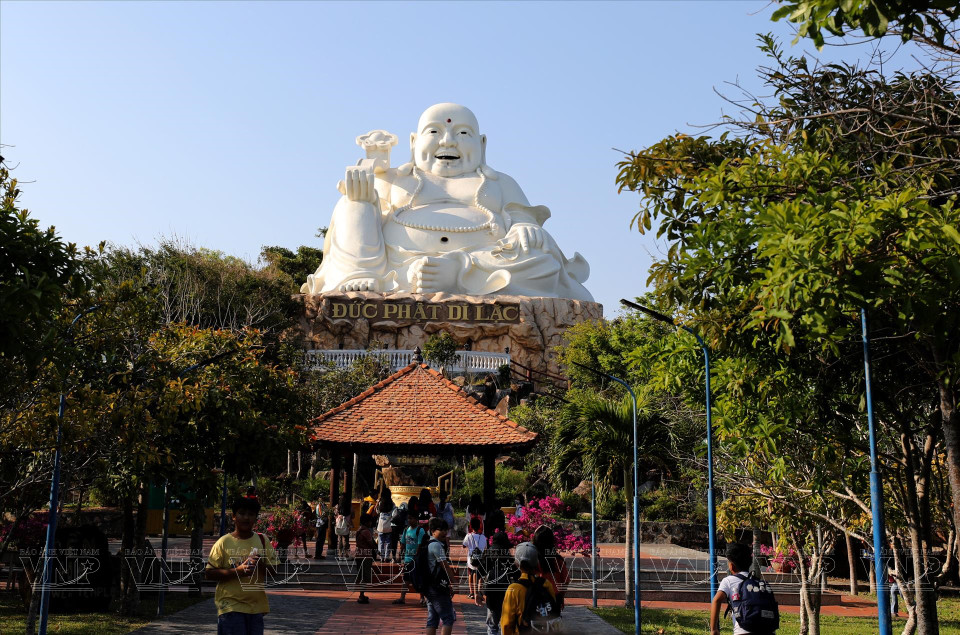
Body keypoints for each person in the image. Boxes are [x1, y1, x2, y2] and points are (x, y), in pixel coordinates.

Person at [300, 103, 593, 302]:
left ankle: (456, 275)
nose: (448, 141)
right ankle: (362, 274)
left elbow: (522, 217)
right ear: (414, 143)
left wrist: (524, 227)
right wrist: (365, 189)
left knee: (543, 260)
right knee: (352, 204)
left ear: (482, 145)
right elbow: (362, 217)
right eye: (435, 132)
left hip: (482, 264)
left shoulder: (499, 182)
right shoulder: (394, 179)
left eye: (463, 133)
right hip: (399, 265)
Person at [205, 496, 278, 635]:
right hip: (230, 608)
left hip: (256, 609)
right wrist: (237, 571)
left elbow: (274, 571)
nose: (246, 518)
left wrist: (259, 564)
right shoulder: (223, 542)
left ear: (256, 518)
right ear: (233, 516)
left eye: (251, 514)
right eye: (242, 513)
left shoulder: (262, 540)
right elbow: (209, 573)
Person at [710, 542, 779, 635]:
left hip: (743, 631)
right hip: (768, 631)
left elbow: (716, 600)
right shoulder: (758, 582)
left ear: (731, 566)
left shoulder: (729, 581)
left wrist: (714, 630)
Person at [500, 542, 559, 635]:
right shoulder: (546, 584)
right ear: (536, 563)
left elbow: (506, 623)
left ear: (516, 563)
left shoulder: (514, 589)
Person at [476, 531, 517, 635]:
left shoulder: (488, 554)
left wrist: (478, 592)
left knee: (492, 625)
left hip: (491, 593)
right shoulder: (507, 557)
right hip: (506, 593)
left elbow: (479, 573)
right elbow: (516, 575)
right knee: (505, 623)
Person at [425, 517, 458, 635]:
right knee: (448, 617)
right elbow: (445, 566)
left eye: (446, 530)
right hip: (437, 588)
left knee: (432, 620)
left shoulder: (428, 543)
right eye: (442, 530)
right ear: (433, 531)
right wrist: (454, 582)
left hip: (429, 586)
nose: (445, 532)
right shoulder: (437, 546)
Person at [532, 525, 570, 610]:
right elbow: (566, 581)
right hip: (554, 598)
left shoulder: (533, 559)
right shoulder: (558, 560)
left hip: (536, 598)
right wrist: (561, 596)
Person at [394, 507, 425, 605]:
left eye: (411, 518)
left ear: (416, 519)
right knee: (406, 579)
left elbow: (420, 545)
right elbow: (403, 543)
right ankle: (402, 597)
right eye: (408, 518)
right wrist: (399, 554)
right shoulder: (406, 530)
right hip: (407, 559)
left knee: (419, 579)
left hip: (416, 559)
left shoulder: (420, 530)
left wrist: (416, 556)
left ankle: (422, 598)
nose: (409, 520)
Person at [463, 516, 488, 602]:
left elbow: (463, 545)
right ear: (480, 526)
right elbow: (485, 548)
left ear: (471, 526)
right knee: (480, 575)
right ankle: (480, 591)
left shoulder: (468, 536)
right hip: (480, 559)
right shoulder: (484, 537)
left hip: (471, 559)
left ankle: (472, 592)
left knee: (470, 573)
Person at [354, 513, 375, 604]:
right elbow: (371, 544)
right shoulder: (366, 531)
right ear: (367, 522)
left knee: (361, 575)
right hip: (366, 555)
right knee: (364, 576)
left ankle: (361, 594)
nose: (371, 523)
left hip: (359, 555)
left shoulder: (359, 530)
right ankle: (361, 595)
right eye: (370, 521)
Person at [376, 489, 396, 561]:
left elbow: (377, 511)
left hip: (381, 526)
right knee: (388, 542)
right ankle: (386, 557)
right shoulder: (392, 503)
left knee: (381, 542)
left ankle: (381, 556)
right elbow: (395, 513)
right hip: (389, 526)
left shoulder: (381, 503)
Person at [334, 493, 353, 560]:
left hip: (339, 524)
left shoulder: (338, 506)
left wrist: (339, 517)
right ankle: (346, 554)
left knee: (339, 540)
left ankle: (340, 554)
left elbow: (335, 514)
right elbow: (353, 515)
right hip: (347, 524)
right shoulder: (349, 506)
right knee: (346, 540)